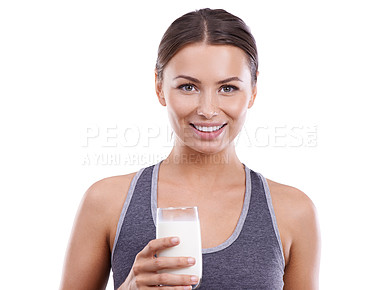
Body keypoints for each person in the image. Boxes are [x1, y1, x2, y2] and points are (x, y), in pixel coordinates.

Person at [60, 8, 321, 290]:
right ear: (159, 88)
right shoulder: (107, 202)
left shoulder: (293, 212)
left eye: (228, 88)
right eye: (188, 87)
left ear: (253, 90)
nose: (208, 110)